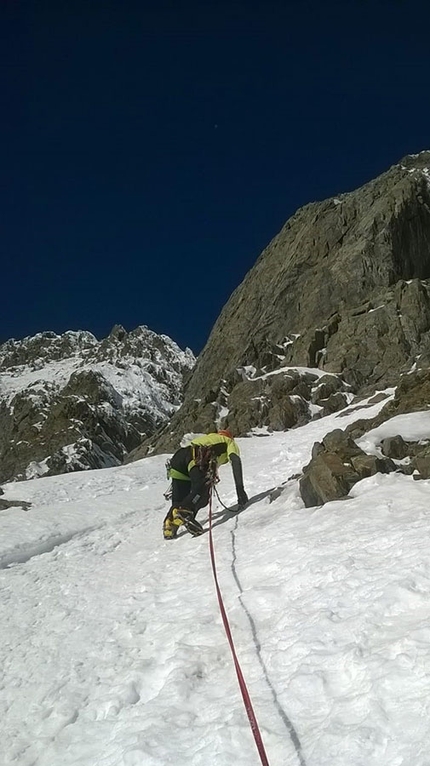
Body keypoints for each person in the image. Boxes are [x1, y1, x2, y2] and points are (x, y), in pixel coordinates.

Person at [163, 429, 249, 539]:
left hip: (179, 458)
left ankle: (169, 526)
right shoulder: (229, 441)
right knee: (202, 494)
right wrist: (240, 490)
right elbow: (235, 460)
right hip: (197, 456)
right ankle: (184, 511)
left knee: (181, 498)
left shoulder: (208, 437)